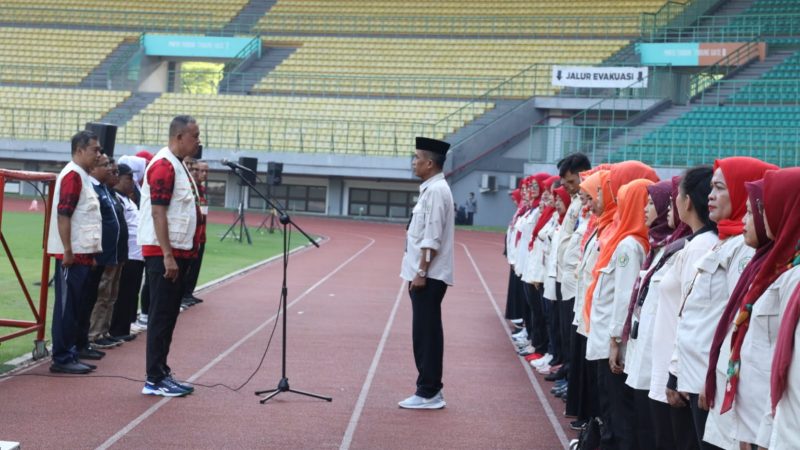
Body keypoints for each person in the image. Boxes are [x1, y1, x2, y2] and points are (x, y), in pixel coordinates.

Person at [670, 157, 777, 449]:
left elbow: (737, 323)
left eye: (720, 188)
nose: (710, 196)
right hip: (702, 375)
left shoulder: (743, 250)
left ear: (745, 195)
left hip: (715, 381)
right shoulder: (727, 242)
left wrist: (713, 378)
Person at [706, 168, 800, 448]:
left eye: (764, 205)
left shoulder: (791, 274)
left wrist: (763, 431)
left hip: (772, 425)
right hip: (757, 420)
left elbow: (780, 363)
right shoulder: (776, 267)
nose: (759, 213)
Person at [649, 167, 717, 449]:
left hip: (684, 371)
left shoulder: (701, 247)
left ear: (687, 201)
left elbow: (689, 314)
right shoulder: (693, 243)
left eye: (678, 194)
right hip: (677, 366)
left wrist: (674, 373)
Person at [138, 115, 202, 397]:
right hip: (165, 253)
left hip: (176, 251)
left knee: (167, 316)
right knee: (161, 316)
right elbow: (158, 212)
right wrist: (167, 255)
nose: (198, 141)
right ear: (179, 137)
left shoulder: (178, 165)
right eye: (194, 135)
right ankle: (153, 379)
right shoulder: (164, 165)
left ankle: (161, 371)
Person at [398, 137, 454, 410]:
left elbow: (431, 236)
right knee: (425, 332)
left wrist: (420, 272)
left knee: (426, 334)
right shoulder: (431, 188)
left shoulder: (436, 191)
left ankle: (429, 391)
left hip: (428, 276)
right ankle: (429, 389)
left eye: (416, 158)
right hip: (425, 274)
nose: (413, 162)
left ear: (429, 163)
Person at [46, 130, 103, 374]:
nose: (98, 154)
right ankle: (61, 357)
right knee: (67, 308)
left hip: (81, 254)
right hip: (71, 256)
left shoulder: (83, 176)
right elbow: (63, 214)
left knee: (75, 306)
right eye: (95, 150)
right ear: (79, 150)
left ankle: (69, 352)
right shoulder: (73, 176)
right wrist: (68, 250)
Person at [89, 158, 128, 348]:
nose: (114, 175)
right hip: (104, 253)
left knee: (111, 296)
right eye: (110, 171)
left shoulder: (108, 191)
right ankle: (93, 334)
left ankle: (103, 331)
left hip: (116, 253)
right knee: (102, 295)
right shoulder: (95, 190)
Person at [108, 163, 145, 340]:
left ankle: (124, 327)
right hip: (127, 253)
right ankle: (117, 330)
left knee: (130, 294)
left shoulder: (128, 199)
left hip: (136, 254)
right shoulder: (116, 198)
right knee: (122, 295)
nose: (132, 181)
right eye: (128, 177)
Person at [182, 160, 209, 308]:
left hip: (202, 234)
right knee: (188, 267)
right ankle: (183, 294)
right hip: (192, 235)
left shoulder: (202, 190)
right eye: (200, 170)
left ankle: (189, 293)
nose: (204, 174)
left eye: (206, 171)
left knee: (196, 267)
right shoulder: (191, 189)